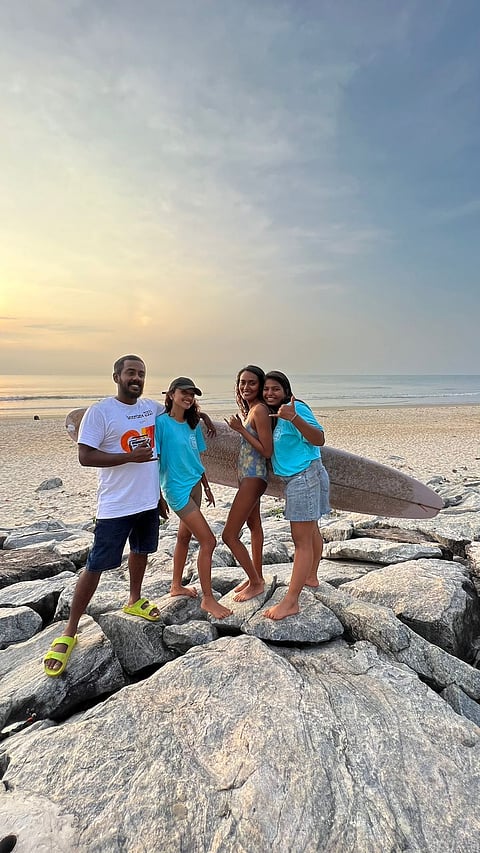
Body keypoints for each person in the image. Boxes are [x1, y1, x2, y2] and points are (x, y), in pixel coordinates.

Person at [43, 356, 216, 676]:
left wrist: (201, 415)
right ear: (117, 376)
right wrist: (129, 456)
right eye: (131, 373)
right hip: (115, 506)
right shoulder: (100, 412)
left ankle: (134, 598)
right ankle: (69, 631)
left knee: (141, 552)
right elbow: (85, 456)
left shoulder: (151, 408)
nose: (136, 378)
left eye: (141, 374)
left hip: (148, 502)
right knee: (96, 565)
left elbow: (179, 411)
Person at [155, 377, 233, 620]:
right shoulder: (161, 424)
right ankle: (208, 600)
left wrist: (207, 486)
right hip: (176, 489)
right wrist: (157, 495)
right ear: (171, 394)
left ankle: (176, 585)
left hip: (195, 485)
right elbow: (154, 461)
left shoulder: (192, 424)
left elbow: (197, 459)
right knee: (209, 541)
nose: (188, 397)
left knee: (183, 536)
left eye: (192, 394)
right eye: (184, 393)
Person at [262, 370, 330, 620]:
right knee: (311, 531)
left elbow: (319, 438)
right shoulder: (275, 414)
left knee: (300, 541)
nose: (270, 393)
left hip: (305, 476)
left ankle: (291, 601)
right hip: (300, 477)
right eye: (266, 389)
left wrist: (294, 418)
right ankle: (311, 576)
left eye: (275, 389)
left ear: (286, 391)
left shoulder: (295, 408)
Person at [222, 366, 272, 601]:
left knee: (229, 535)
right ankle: (256, 574)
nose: (245, 387)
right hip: (248, 477)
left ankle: (256, 582)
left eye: (251, 383)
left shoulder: (259, 410)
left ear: (260, 385)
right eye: (242, 382)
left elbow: (267, 450)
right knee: (254, 528)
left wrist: (241, 429)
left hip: (254, 478)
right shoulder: (252, 409)